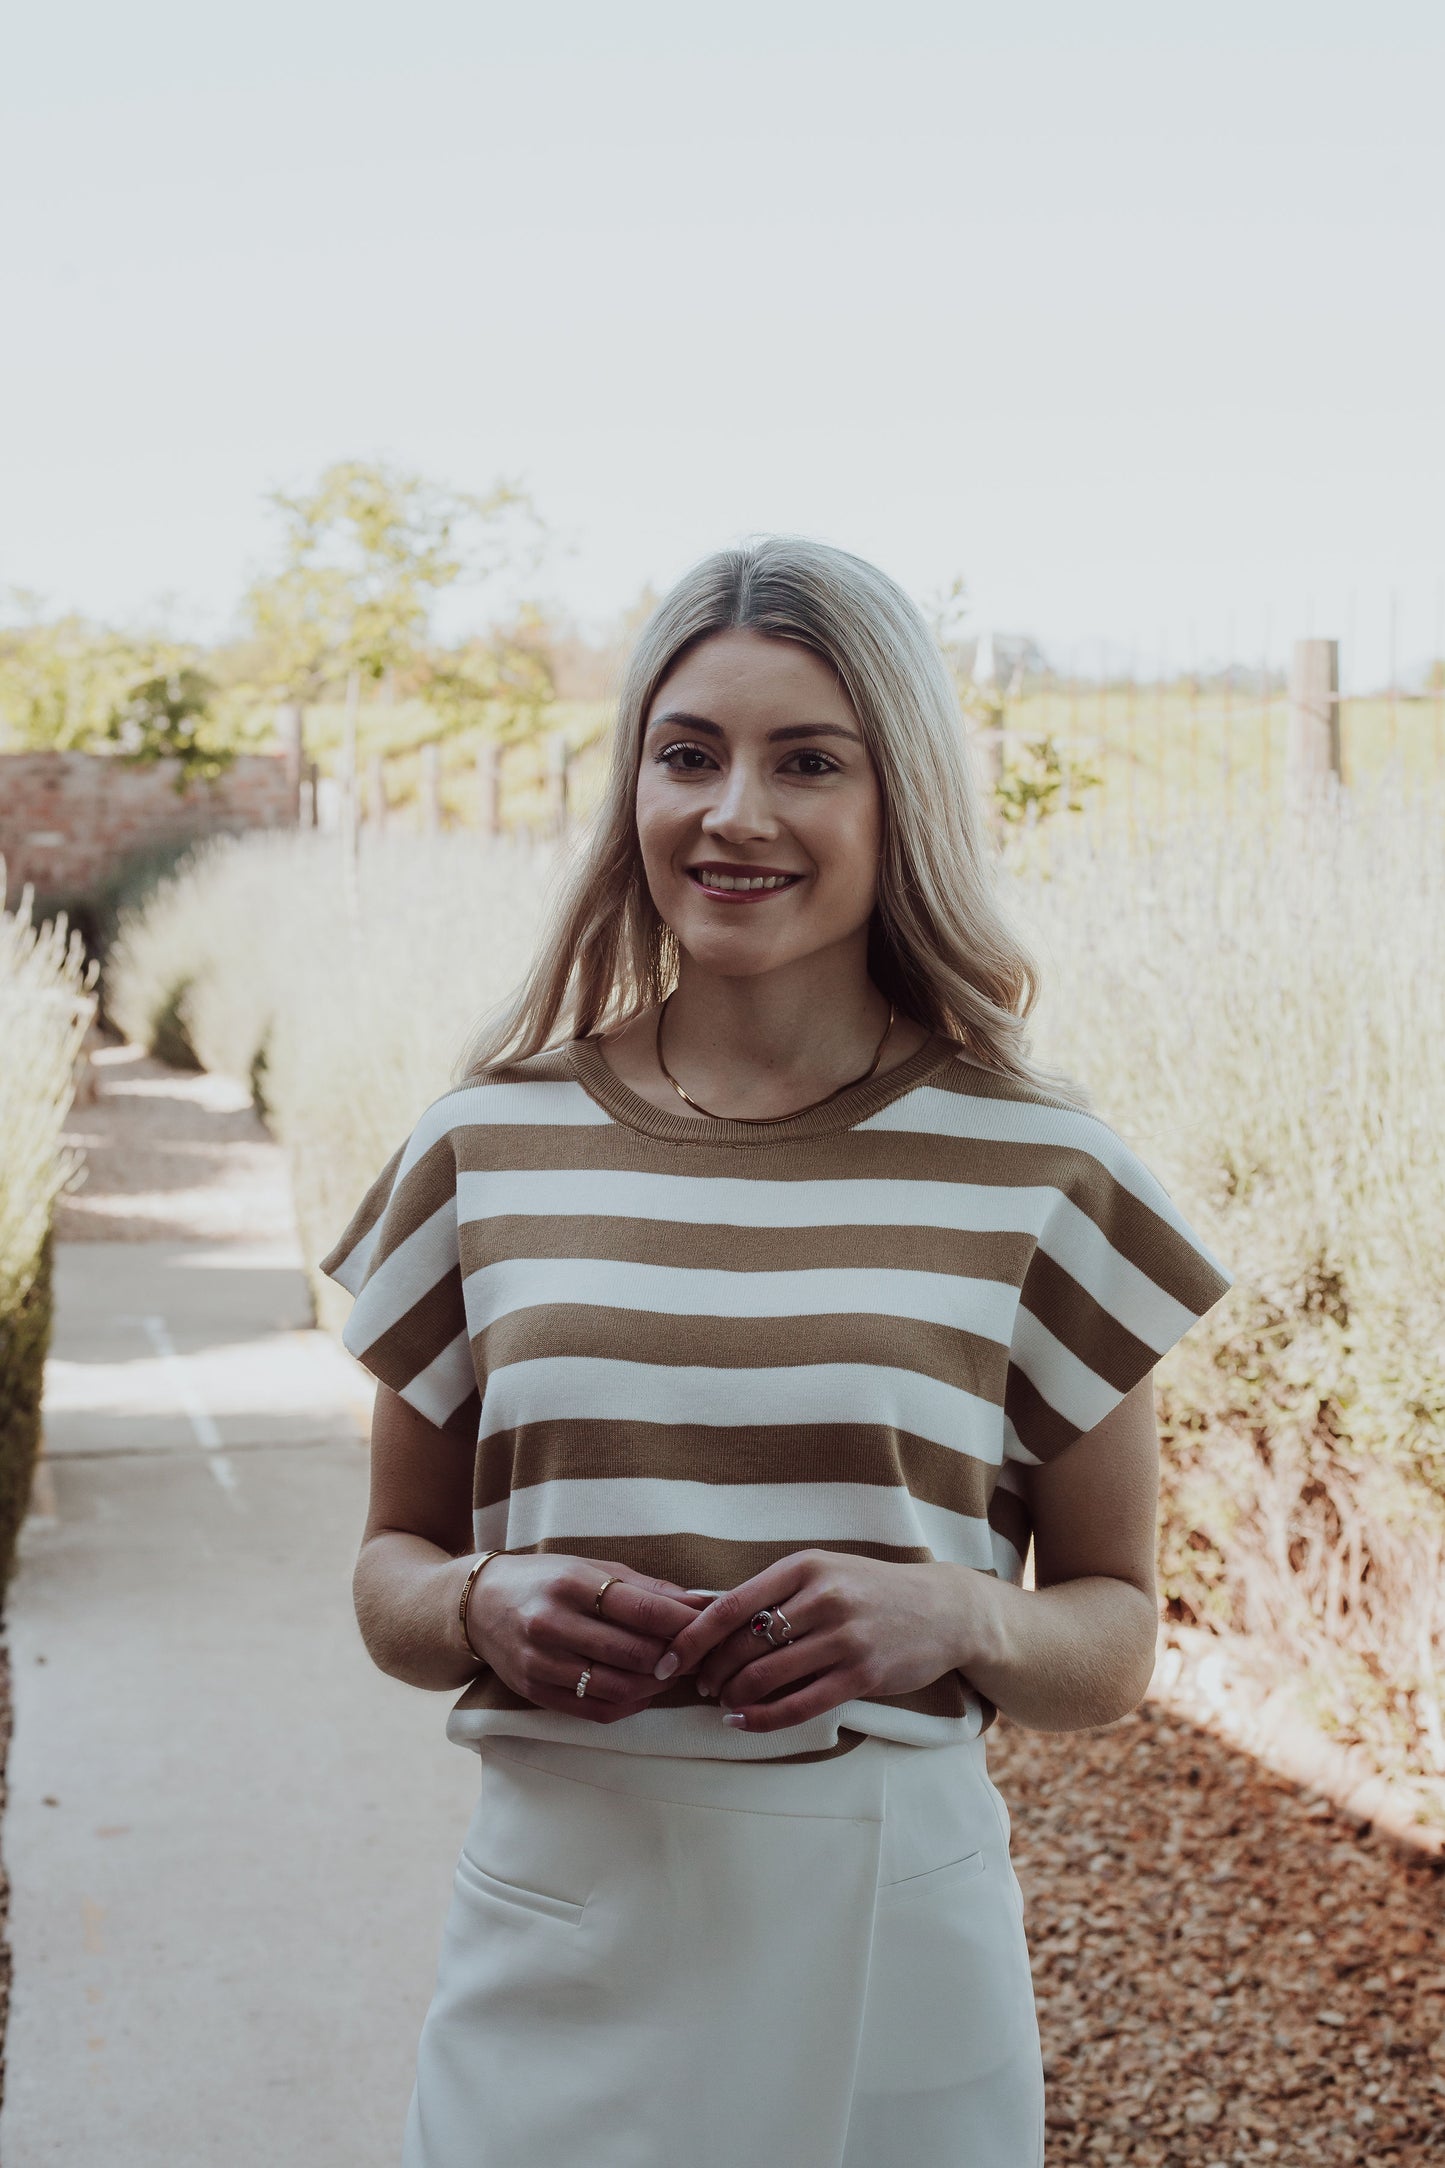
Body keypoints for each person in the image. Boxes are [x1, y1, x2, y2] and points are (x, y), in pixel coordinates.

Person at [321, 537, 1230, 2168]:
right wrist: (477, 1601)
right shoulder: (479, 1146)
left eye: (808, 760)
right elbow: (390, 1576)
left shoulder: (1042, 1169)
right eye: (688, 754)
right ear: (632, 792)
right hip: (558, 1927)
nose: (732, 812)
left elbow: (1111, 1640)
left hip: (897, 1934)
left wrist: (950, 1611)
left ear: (904, 805)